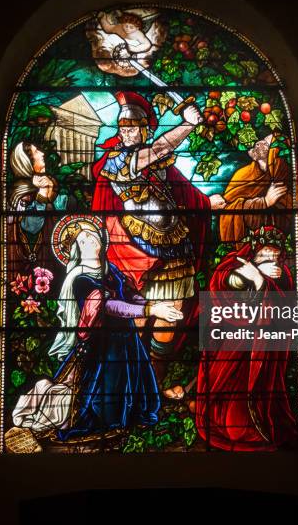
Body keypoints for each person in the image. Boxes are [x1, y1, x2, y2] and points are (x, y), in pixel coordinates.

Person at [91, 91, 225, 396]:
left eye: (132, 127)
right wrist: (188, 124)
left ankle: (155, 383)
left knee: (172, 316)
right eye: (122, 126)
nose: (125, 131)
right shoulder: (117, 161)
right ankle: (132, 388)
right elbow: (162, 147)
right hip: (137, 250)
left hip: (174, 246)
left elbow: (182, 191)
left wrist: (205, 203)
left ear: (144, 130)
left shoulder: (158, 166)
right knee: (140, 315)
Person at [11, 217, 182, 441]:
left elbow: (129, 296)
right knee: (108, 389)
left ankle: (133, 421)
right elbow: (110, 306)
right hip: (103, 345)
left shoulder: (110, 270)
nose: (90, 239)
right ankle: (110, 425)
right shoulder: (80, 279)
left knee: (135, 384)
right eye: (83, 239)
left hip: (126, 338)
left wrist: (156, 305)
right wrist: (151, 310)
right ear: (76, 250)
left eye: (92, 234)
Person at [196, 226, 298, 451]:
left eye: (275, 257)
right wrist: (251, 275)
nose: (271, 261)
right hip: (231, 343)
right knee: (226, 402)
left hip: (261, 348)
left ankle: (260, 424)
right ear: (253, 253)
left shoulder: (282, 277)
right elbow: (221, 289)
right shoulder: (234, 266)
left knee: (246, 413)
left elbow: (284, 314)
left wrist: (263, 282)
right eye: (264, 255)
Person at [6, 142, 68, 286]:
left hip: (51, 256)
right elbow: (30, 227)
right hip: (26, 259)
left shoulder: (49, 185)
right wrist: (41, 197)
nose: (42, 154)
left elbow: (64, 207)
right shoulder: (20, 194)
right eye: (36, 152)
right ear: (27, 163)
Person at [218, 134, 292, 245]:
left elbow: (287, 218)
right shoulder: (243, 174)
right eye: (262, 140)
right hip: (243, 243)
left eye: (266, 143)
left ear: (275, 152)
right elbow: (228, 209)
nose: (258, 143)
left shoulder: (283, 182)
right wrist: (264, 202)